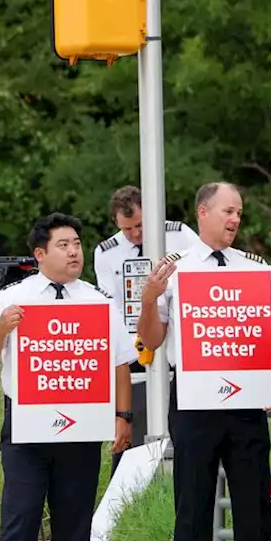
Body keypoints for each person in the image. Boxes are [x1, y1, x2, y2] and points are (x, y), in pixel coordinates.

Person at [0, 212, 136, 541]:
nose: (74, 252)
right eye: (63, 245)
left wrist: (123, 416)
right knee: (20, 521)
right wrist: (1, 327)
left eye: (77, 244)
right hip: (27, 429)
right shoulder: (15, 296)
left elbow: (120, 364)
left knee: (73, 525)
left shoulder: (97, 301)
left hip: (82, 428)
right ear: (40, 254)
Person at [137, 182, 271, 541]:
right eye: (228, 211)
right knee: (193, 508)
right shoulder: (175, 268)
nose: (236, 219)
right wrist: (149, 299)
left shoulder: (254, 268)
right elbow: (150, 341)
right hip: (193, 400)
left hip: (246, 401)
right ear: (203, 213)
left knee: (254, 508)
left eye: (239, 212)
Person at [93, 185, 201, 475]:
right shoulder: (107, 253)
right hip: (134, 349)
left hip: (178, 342)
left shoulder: (180, 235)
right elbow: (110, 309)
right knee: (132, 432)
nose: (136, 234)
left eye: (140, 225)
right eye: (127, 229)